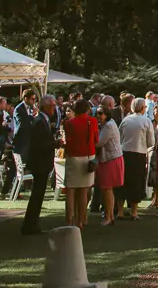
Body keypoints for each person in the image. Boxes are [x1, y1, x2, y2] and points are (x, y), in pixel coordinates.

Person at [20, 94, 60, 236]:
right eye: (52, 106)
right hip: (40, 163)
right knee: (37, 195)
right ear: (45, 106)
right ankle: (29, 225)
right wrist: (55, 143)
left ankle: (32, 224)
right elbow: (39, 145)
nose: (54, 109)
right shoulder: (39, 121)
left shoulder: (43, 120)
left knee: (38, 195)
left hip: (42, 163)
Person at [61, 97, 97, 228]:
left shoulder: (68, 123)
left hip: (73, 156)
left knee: (70, 190)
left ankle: (69, 220)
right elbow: (96, 139)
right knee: (83, 190)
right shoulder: (92, 121)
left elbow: (67, 140)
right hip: (88, 156)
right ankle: (80, 220)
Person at [118, 98, 153, 221]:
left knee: (123, 181)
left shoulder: (125, 120)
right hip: (139, 154)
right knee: (137, 182)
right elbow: (151, 142)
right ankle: (134, 212)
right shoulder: (146, 121)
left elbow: (120, 137)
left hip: (124, 153)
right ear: (143, 107)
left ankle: (120, 211)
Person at [93, 104, 123, 226]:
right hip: (109, 159)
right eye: (96, 113)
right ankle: (110, 215)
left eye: (100, 113)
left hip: (111, 159)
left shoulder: (108, 126)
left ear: (106, 114)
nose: (98, 115)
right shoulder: (106, 125)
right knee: (107, 189)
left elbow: (99, 143)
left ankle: (108, 216)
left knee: (107, 189)